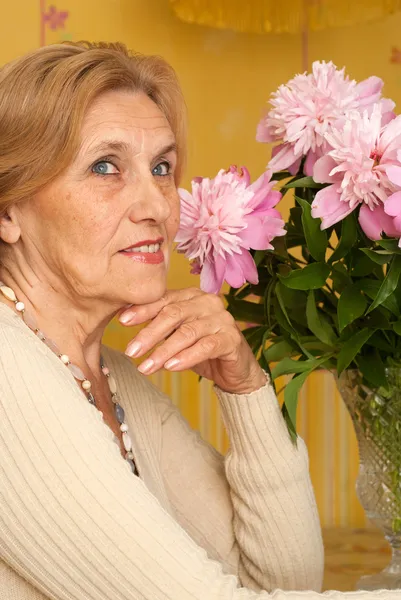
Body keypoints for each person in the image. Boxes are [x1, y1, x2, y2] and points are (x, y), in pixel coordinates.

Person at [0, 42, 395, 600]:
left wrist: (246, 387)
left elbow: (281, 581)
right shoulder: (9, 374)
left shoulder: (111, 377)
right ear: (8, 212)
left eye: (161, 167)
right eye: (105, 167)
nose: (158, 206)